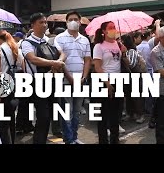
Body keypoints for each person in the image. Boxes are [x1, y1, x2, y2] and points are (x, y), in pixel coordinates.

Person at [21, 13, 66, 144]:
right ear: (33, 25)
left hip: (52, 82)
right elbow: (33, 59)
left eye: (45, 22)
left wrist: (59, 62)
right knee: (43, 116)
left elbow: (62, 53)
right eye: (41, 22)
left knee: (53, 113)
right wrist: (54, 63)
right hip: (37, 83)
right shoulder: (27, 43)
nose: (44, 25)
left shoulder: (50, 40)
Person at [54, 10, 91, 144]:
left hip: (80, 81)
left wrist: (84, 77)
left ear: (80, 21)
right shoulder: (59, 38)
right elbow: (60, 60)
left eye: (76, 19)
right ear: (66, 22)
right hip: (65, 81)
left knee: (76, 112)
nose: (73, 22)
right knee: (66, 111)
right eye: (70, 20)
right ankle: (69, 139)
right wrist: (69, 77)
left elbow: (87, 60)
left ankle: (74, 137)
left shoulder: (85, 40)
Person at [92, 21, 127, 144]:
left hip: (118, 80)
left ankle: (114, 140)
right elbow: (97, 67)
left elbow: (124, 63)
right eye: (110, 28)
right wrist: (107, 82)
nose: (114, 30)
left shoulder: (118, 44)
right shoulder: (99, 46)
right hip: (103, 82)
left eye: (114, 27)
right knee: (103, 114)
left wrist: (124, 52)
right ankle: (103, 140)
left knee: (116, 114)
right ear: (104, 31)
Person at [0, 30, 23, 144]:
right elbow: (22, 67)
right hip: (15, 87)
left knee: (1, 121)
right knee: (11, 119)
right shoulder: (16, 49)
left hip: (2, 86)